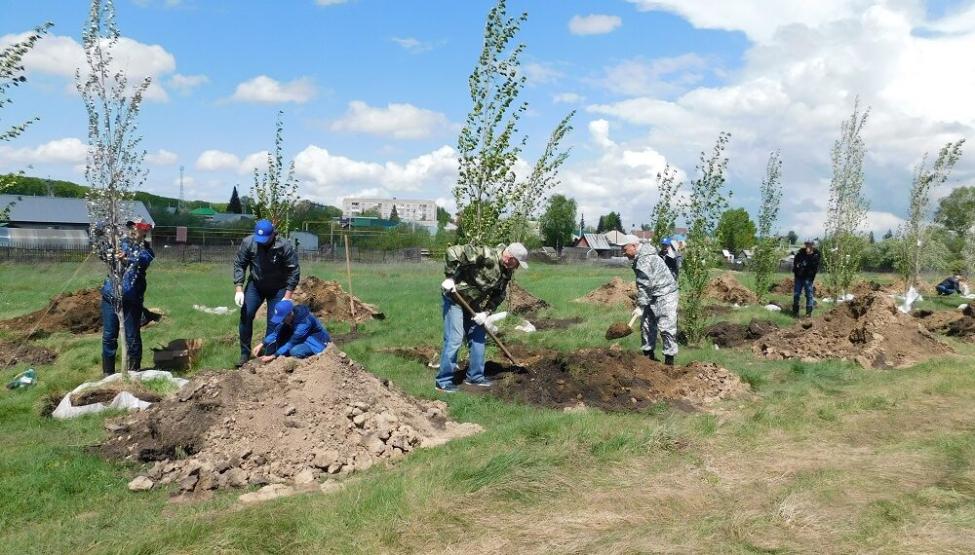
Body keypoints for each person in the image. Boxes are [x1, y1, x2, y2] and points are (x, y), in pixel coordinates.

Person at [435, 242, 529, 393]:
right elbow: (453, 251)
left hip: (473, 303)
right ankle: (443, 382)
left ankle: (475, 377)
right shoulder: (486, 255)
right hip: (455, 298)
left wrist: (485, 313)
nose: (517, 267)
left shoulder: (506, 271)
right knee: (455, 338)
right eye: (517, 263)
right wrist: (450, 277)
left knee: (479, 336)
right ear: (510, 257)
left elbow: (499, 295)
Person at [233, 219, 300, 367]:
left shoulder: (284, 246)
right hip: (256, 285)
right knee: (246, 314)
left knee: (274, 321)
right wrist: (239, 288)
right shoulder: (248, 243)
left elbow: (294, 270)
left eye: (266, 239)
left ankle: (269, 355)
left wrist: (287, 297)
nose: (262, 242)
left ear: (273, 235)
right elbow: (240, 263)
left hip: (278, 288)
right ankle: (245, 353)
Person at [101, 219, 154, 375]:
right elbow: (105, 254)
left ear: (144, 231)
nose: (132, 229)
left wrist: (127, 258)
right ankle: (107, 373)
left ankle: (133, 372)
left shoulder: (147, 250)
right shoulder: (119, 244)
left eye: (136, 227)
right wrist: (108, 250)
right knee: (109, 336)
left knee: (132, 337)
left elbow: (142, 260)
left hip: (131, 299)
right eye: (130, 226)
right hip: (110, 295)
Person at [622, 236, 679, 365]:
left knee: (666, 327)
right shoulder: (640, 257)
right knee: (647, 326)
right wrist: (642, 305)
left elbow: (644, 283)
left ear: (634, 246)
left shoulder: (645, 259)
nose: (623, 252)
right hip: (651, 294)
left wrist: (641, 306)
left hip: (666, 293)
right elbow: (645, 285)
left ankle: (669, 362)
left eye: (625, 249)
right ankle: (648, 359)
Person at [252, 300, 330, 362]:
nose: (281, 320)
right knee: (282, 338)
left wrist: (273, 356)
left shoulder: (304, 323)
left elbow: (292, 343)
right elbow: (276, 333)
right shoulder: (289, 318)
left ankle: (310, 360)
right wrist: (261, 344)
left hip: (317, 342)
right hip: (303, 339)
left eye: (282, 318)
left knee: (295, 351)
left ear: (290, 314)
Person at [792, 240, 821, 317]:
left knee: (809, 295)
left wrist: (806, 266)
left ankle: (808, 314)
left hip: (808, 278)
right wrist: (799, 268)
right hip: (799, 277)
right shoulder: (800, 254)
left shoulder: (816, 255)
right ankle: (795, 312)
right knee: (796, 294)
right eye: (807, 244)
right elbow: (796, 264)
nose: (808, 246)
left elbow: (814, 267)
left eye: (810, 244)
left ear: (813, 246)